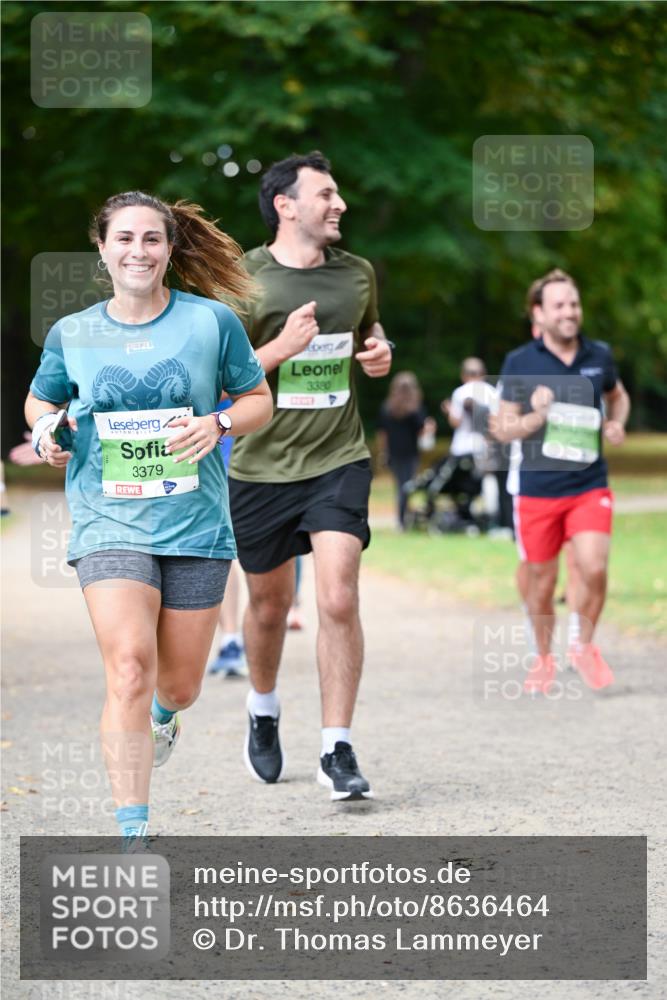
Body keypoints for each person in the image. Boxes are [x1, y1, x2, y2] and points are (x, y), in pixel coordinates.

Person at [25, 191, 272, 845]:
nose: (138, 250)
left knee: (181, 684)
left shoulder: (211, 322)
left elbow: (257, 400)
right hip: (109, 521)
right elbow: (39, 401)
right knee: (130, 664)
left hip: (194, 524)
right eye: (125, 239)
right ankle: (133, 830)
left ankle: (166, 715)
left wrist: (215, 420)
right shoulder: (73, 333)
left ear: (169, 249)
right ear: (101, 248)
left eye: (151, 240)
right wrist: (49, 428)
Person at [227, 151, 392, 801]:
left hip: (337, 459)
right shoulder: (242, 280)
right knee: (268, 607)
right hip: (260, 467)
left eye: (338, 193)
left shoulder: (356, 275)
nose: (339, 204)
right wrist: (276, 351)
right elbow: (216, 383)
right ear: (285, 205)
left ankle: (336, 749)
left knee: (336, 597)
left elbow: (370, 335)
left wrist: (379, 353)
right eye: (325, 194)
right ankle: (263, 709)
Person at [492, 268, 630, 693]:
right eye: (560, 305)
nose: (570, 312)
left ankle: (583, 646)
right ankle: (543, 658)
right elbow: (501, 427)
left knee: (594, 565)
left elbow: (617, 396)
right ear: (539, 313)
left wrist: (616, 425)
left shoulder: (599, 355)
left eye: (574, 304)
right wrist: (536, 415)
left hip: (588, 484)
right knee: (541, 582)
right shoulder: (520, 362)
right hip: (538, 490)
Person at [441, 358, 501, 526]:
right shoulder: (492, 392)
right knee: (488, 480)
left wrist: (449, 411)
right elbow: (496, 422)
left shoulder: (461, 392)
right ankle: (492, 516)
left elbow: (457, 422)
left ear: (464, 375)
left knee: (464, 485)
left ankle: (467, 516)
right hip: (485, 446)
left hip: (462, 447)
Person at [377, 371, 436, 529]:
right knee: (406, 486)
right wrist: (430, 428)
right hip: (410, 453)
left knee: (400, 485)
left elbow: (382, 434)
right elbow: (422, 432)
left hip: (393, 453)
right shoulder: (415, 411)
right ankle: (403, 520)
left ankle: (402, 518)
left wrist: (383, 452)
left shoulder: (387, 408)